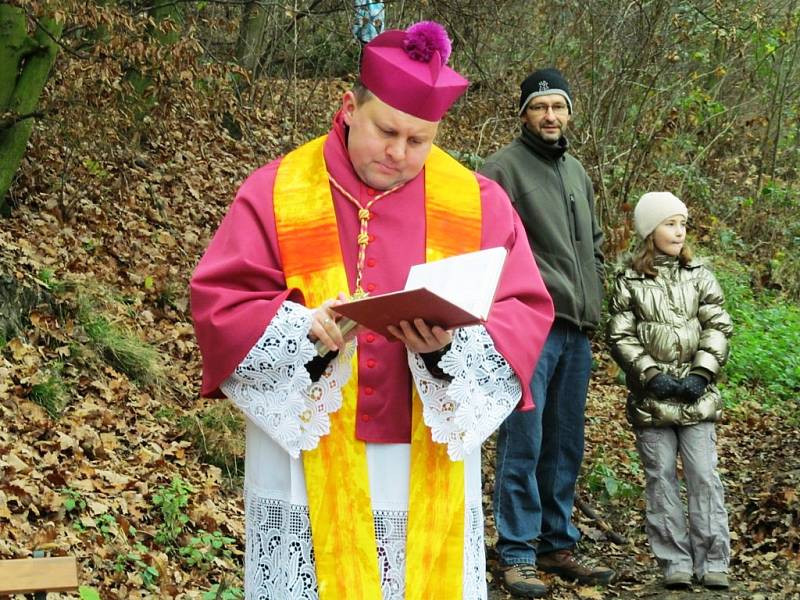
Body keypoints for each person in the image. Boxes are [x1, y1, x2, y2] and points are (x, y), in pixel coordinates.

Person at [190, 21, 555, 600]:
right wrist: (300, 330)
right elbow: (222, 303)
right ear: (349, 107)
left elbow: (524, 309)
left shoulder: (476, 202)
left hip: (421, 454)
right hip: (307, 456)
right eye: (387, 131)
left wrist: (448, 350)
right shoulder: (278, 190)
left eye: (419, 141)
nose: (398, 153)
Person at [479, 67, 613, 598]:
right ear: (523, 114)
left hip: (577, 328)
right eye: (539, 107)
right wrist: (510, 307)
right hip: (529, 324)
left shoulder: (577, 171)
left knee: (565, 442)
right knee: (524, 440)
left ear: (570, 113)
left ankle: (557, 544)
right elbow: (488, 247)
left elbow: (594, 242)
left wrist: (595, 287)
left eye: (558, 107)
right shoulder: (502, 170)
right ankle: (516, 549)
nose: (550, 116)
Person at [607, 192, 733, 590]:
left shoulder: (700, 275)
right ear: (649, 231)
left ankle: (714, 559)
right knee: (660, 478)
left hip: (697, 398)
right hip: (653, 400)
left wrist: (702, 373)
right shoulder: (628, 280)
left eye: (683, 224)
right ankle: (674, 560)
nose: (679, 231)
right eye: (669, 223)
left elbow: (718, 326)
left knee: (703, 476)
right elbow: (620, 333)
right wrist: (648, 374)